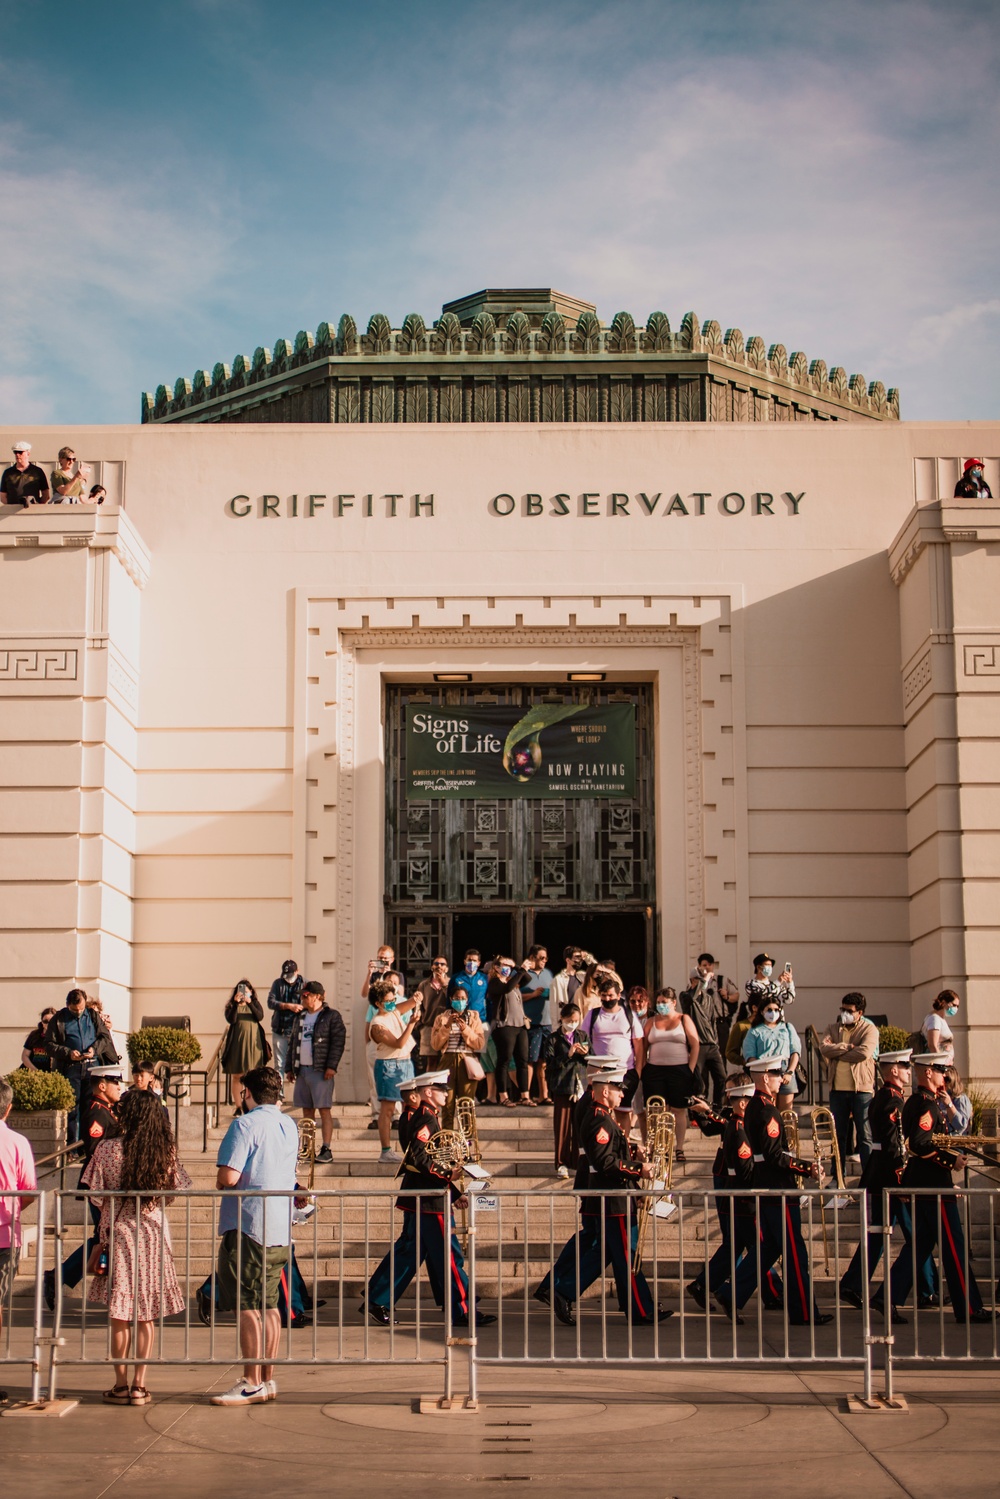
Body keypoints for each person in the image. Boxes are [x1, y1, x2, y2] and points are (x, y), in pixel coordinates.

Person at [80, 1088, 191, 1406]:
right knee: (145, 1316)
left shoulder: (107, 1149)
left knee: (119, 1314)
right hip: (152, 1234)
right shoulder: (162, 1151)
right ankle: (140, 1385)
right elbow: (172, 1193)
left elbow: (97, 1196)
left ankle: (120, 1384)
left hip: (118, 1234)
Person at [533, 1067, 669, 1326]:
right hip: (613, 1197)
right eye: (618, 1090)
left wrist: (631, 1150)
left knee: (612, 1253)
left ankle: (638, 1306)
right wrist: (640, 1169)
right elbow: (605, 1161)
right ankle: (635, 1307)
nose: (622, 1095)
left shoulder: (604, 1117)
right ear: (605, 1091)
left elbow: (608, 1151)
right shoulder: (599, 1118)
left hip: (616, 1195)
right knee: (626, 1254)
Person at [364, 1069, 494, 1328]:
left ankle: (378, 1298)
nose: (445, 1094)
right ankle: (462, 1309)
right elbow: (421, 1159)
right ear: (427, 1093)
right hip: (429, 1200)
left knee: (409, 1252)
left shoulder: (426, 1116)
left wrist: (454, 1191)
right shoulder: (426, 1118)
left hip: (423, 1195)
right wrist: (450, 1175)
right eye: (440, 1090)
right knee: (449, 1256)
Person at [716, 1056, 831, 1326]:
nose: (781, 1078)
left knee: (767, 1249)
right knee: (794, 1252)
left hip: (767, 1189)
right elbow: (774, 1155)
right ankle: (803, 1313)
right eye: (777, 1074)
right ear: (765, 1078)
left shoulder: (757, 1106)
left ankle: (731, 1293)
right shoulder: (767, 1110)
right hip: (777, 1189)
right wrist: (806, 1168)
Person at [210, 1066, 301, 1405]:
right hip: (279, 1224)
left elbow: (229, 1175)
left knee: (248, 1304)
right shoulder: (288, 1123)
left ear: (247, 1092)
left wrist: (220, 1179)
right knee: (271, 1303)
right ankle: (266, 1378)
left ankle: (251, 1380)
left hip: (249, 1223)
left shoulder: (244, 1124)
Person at [884, 1052, 990, 1324]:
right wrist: (951, 1160)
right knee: (954, 1246)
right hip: (933, 1186)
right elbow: (919, 1144)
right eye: (941, 1070)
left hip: (926, 1183)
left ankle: (886, 1297)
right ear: (928, 1072)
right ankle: (969, 1307)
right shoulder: (926, 1106)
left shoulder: (920, 1102)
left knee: (919, 1247)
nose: (945, 1075)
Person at [839, 1049, 933, 1313]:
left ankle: (853, 1283)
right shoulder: (893, 1102)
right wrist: (902, 1179)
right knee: (917, 1235)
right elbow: (894, 1146)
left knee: (879, 1235)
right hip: (890, 1177)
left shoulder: (884, 1097)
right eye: (904, 1067)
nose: (907, 1071)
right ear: (893, 1070)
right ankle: (926, 1290)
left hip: (879, 1175)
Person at [44, 1065, 123, 1310]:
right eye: (115, 1083)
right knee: (103, 1236)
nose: (119, 1088)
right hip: (101, 1187)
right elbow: (97, 1152)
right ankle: (59, 1276)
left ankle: (61, 1276)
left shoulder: (107, 1110)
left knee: (104, 1236)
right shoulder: (98, 1113)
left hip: (106, 1188)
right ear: (102, 1085)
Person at [0, 1076, 37, 1404]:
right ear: (9, 1108)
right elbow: (28, 1191)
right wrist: (12, 1209)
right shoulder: (16, 1142)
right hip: (4, 1233)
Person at [45, 987, 118, 1144]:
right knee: (72, 1108)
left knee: (90, 1106)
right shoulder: (59, 1018)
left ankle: (87, 1145)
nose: (78, 1012)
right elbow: (49, 1045)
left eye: (81, 1009)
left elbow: (105, 1038)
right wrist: (68, 1052)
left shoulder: (92, 1015)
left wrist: (94, 1050)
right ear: (68, 1005)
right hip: (71, 1067)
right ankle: (72, 1145)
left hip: (92, 1066)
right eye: (74, 1009)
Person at [284, 981, 345, 1164]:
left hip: (320, 1070)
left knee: (324, 1109)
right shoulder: (300, 1017)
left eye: (306, 995)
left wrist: (331, 1066)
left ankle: (326, 1148)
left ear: (317, 996)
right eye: (302, 995)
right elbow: (293, 1042)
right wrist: (289, 1067)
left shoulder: (331, 1016)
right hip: (302, 1069)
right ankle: (307, 1146)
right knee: (306, 1110)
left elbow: (338, 1042)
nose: (303, 998)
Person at [819, 992, 878, 1170]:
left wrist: (837, 1052)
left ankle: (868, 1177)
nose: (845, 1013)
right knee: (838, 1136)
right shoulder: (833, 1028)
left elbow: (864, 1053)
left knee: (865, 1135)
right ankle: (838, 1175)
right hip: (837, 1090)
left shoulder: (869, 1029)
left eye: (849, 1010)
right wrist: (847, 1047)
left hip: (862, 1091)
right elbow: (824, 1048)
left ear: (859, 1012)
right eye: (842, 1009)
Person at [640, 988, 698, 1161]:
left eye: (664, 1002)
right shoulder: (651, 1021)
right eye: (658, 1002)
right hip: (655, 1070)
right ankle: (660, 1146)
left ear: (673, 1003)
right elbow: (643, 1047)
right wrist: (643, 1068)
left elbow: (695, 1044)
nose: (661, 1006)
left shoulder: (683, 1019)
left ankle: (678, 1147)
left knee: (678, 1110)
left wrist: (690, 1069)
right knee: (657, 1110)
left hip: (679, 1069)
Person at [581, 976, 646, 1126]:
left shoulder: (629, 1015)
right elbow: (583, 1038)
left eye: (610, 995)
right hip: (600, 1073)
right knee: (601, 1112)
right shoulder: (592, 1015)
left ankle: (624, 1146)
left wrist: (637, 1071)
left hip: (626, 1071)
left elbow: (638, 1043)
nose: (607, 998)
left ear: (618, 995)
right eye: (604, 996)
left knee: (623, 1113)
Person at [369, 979, 420, 1162]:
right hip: (389, 1066)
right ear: (378, 1003)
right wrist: (411, 1024)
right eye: (388, 1001)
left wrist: (417, 997)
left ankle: (413, 1147)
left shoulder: (395, 1012)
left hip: (405, 1063)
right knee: (388, 1109)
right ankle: (386, 1150)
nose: (392, 1003)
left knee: (411, 1105)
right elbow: (398, 1043)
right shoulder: (377, 1024)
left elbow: (410, 1003)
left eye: (393, 999)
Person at [680, 954, 738, 1108]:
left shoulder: (709, 998)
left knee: (721, 1077)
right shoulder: (685, 996)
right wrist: (704, 981)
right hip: (697, 1044)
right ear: (693, 981)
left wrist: (716, 1042)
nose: (701, 983)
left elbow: (712, 1020)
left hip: (712, 1044)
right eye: (698, 980)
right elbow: (691, 1000)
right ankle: (697, 1110)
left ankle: (718, 1107)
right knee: (698, 1079)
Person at [543, 1003, 590, 1176]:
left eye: (576, 1021)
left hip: (580, 1086)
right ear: (562, 1019)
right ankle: (561, 1163)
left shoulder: (582, 1035)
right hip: (562, 1086)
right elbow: (550, 1064)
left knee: (580, 1127)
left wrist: (585, 1053)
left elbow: (590, 1058)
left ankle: (579, 1162)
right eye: (570, 1020)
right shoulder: (553, 1038)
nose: (572, 1024)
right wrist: (568, 1054)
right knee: (562, 1127)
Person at [430, 988, 486, 1129]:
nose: (459, 1001)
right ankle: (448, 1141)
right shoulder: (441, 1018)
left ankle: (466, 1142)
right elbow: (435, 1045)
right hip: (447, 1060)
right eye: (456, 998)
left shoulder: (473, 1017)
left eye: (462, 998)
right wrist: (447, 1026)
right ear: (451, 999)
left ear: (467, 1001)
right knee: (447, 1104)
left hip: (467, 1060)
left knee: (466, 1104)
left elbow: (479, 1043)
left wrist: (465, 1029)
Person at [741, 995, 801, 1110]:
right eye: (769, 1010)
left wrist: (790, 1071)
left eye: (776, 1010)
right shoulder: (754, 1031)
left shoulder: (787, 1027)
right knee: (768, 1109)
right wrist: (762, 1074)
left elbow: (795, 1052)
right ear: (762, 1012)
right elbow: (750, 1055)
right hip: (765, 1070)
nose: (773, 1013)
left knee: (786, 1112)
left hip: (785, 1068)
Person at [361, 944, 398, 1130]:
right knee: (374, 1079)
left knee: (394, 1078)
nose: (383, 961)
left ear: (392, 959)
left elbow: (399, 995)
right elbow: (364, 995)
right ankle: (377, 1115)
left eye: (386, 958)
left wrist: (388, 976)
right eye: (380, 957)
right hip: (374, 1035)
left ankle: (396, 1115)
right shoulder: (374, 979)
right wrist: (371, 974)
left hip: (392, 1037)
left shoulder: (396, 978)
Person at [488, 956, 532, 1107]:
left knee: (522, 1061)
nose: (508, 968)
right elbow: (506, 988)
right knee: (504, 1060)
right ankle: (503, 1096)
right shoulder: (495, 983)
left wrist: (517, 967)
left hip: (520, 1025)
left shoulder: (514, 982)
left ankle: (524, 1095)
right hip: (504, 1025)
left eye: (510, 966)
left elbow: (527, 978)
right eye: (504, 965)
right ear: (496, 967)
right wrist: (520, 970)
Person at [220, 980, 269, 1107]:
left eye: (246, 991)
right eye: (241, 991)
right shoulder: (231, 1006)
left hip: (253, 1043)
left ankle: (253, 1103)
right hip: (237, 1043)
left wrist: (250, 1002)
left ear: (251, 992)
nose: (243, 994)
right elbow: (231, 1019)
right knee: (237, 1075)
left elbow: (260, 1016)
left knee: (254, 1074)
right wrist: (236, 1004)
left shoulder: (254, 1004)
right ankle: (238, 1105)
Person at [521, 945, 554, 1103]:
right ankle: (525, 1095)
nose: (544, 961)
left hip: (547, 1023)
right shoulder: (523, 973)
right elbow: (515, 996)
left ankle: (544, 1095)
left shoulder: (548, 974)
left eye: (546, 958)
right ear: (532, 957)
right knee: (530, 1060)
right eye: (541, 958)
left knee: (544, 1061)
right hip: (531, 1023)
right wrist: (533, 995)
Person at [266, 959, 303, 1081]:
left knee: (299, 1063)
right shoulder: (277, 983)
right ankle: (279, 1096)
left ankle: (300, 1095)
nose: (288, 978)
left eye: (291, 975)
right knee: (279, 1064)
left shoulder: (304, 984)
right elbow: (270, 1003)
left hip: (297, 1030)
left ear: (297, 971)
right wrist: (288, 1006)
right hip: (280, 1030)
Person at [415, 956, 452, 1070]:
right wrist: (420, 1024)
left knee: (446, 1060)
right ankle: (430, 1087)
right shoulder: (424, 984)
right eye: (436, 963)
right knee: (431, 1061)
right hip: (429, 1026)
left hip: (446, 1026)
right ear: (432, 967)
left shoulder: (451, 983)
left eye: (442, 964)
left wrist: (444, 984)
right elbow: (419, 1004)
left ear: (447, 968)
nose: (439, 966)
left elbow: (453, 1000)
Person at [1, 441, 50, 505]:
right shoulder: (8, 473)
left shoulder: (37, 471)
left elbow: (46, 494)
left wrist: (37, 507)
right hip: (12, 511)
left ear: (28, 454)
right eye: (15, 452)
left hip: (32, 510)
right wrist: (11, 508)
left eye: (20, 452)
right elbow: (2, 495)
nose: (17, 455)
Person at [448, 949, 489, 1025]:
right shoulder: (456, 978)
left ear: (479, 963)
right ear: (464, 961)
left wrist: (490, 1019)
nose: (472, 962)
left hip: (480, 1019)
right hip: (460, 1019)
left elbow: (489, 999)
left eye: (474, 960)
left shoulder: (484, 978)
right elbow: (449, 998)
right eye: (469, 960)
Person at [921, 989, 960, 1054]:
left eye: (957, 1006)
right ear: (944, 1003)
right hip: (937, 1062)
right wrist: (939, 1062)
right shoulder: (934, 1019)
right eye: (954, 1005)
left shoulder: (941, 1019)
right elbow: (932, 1045)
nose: (956, 1008)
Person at [941, 1065, 972, 1135]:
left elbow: (961, 1125)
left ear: (953, 1081)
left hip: (956, 1141)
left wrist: (949, 1104)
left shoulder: (960, 1099)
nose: (944, 1083)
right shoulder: (938, 1098)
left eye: (947, 1079)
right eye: (942, 1079)